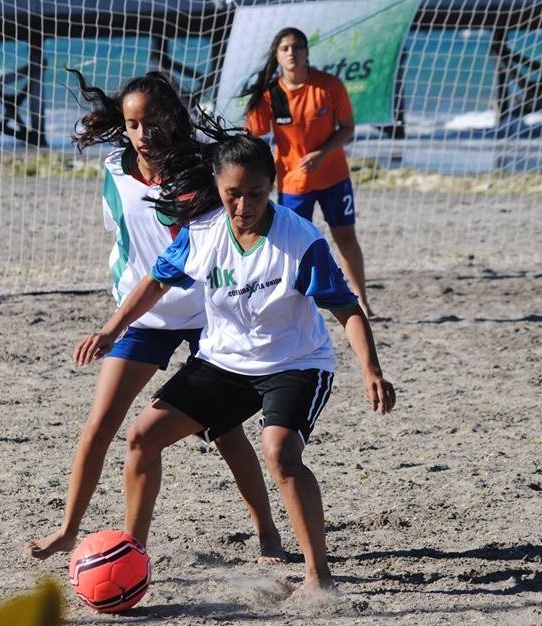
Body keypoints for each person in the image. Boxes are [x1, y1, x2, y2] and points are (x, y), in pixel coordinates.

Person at [74, 128, 396, 596]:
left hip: (295, 362)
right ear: (216, 185)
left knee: (280, 453)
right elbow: (155, 282)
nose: (243, 206)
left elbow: (346, 309)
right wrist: (111, 328)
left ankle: (317, 577)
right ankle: (133, 556)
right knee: (142, 436)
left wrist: (371, 369)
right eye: (232, 194)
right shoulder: (202, 233)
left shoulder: (301, 241)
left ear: (272, 185)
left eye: (255, 194)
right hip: (223, 362)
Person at [25, 71, 285, 564]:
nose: (143, 133)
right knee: (100, 426)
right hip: (139, 315)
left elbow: (237, 224)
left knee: (226, 433)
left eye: (151, 121)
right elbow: (122, 237)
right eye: (133, 124)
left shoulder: (202, 170)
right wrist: (113, 324)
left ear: (172, 119)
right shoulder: (114, 170)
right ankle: (67, 530)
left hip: (206, 315)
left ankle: (267, 532)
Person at [242, 27, 376, 319]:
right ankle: (293, 302)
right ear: (277, 56)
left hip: (334, 177)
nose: (292, 53)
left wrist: (321, 154)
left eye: (297, 47)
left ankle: (362, 300)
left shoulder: (328, 86)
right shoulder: (270, 95)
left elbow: (348, 128)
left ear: (306, 53)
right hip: (293, 183)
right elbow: (251, 138)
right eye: (285, 48)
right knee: (294, 244)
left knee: (345, 237)